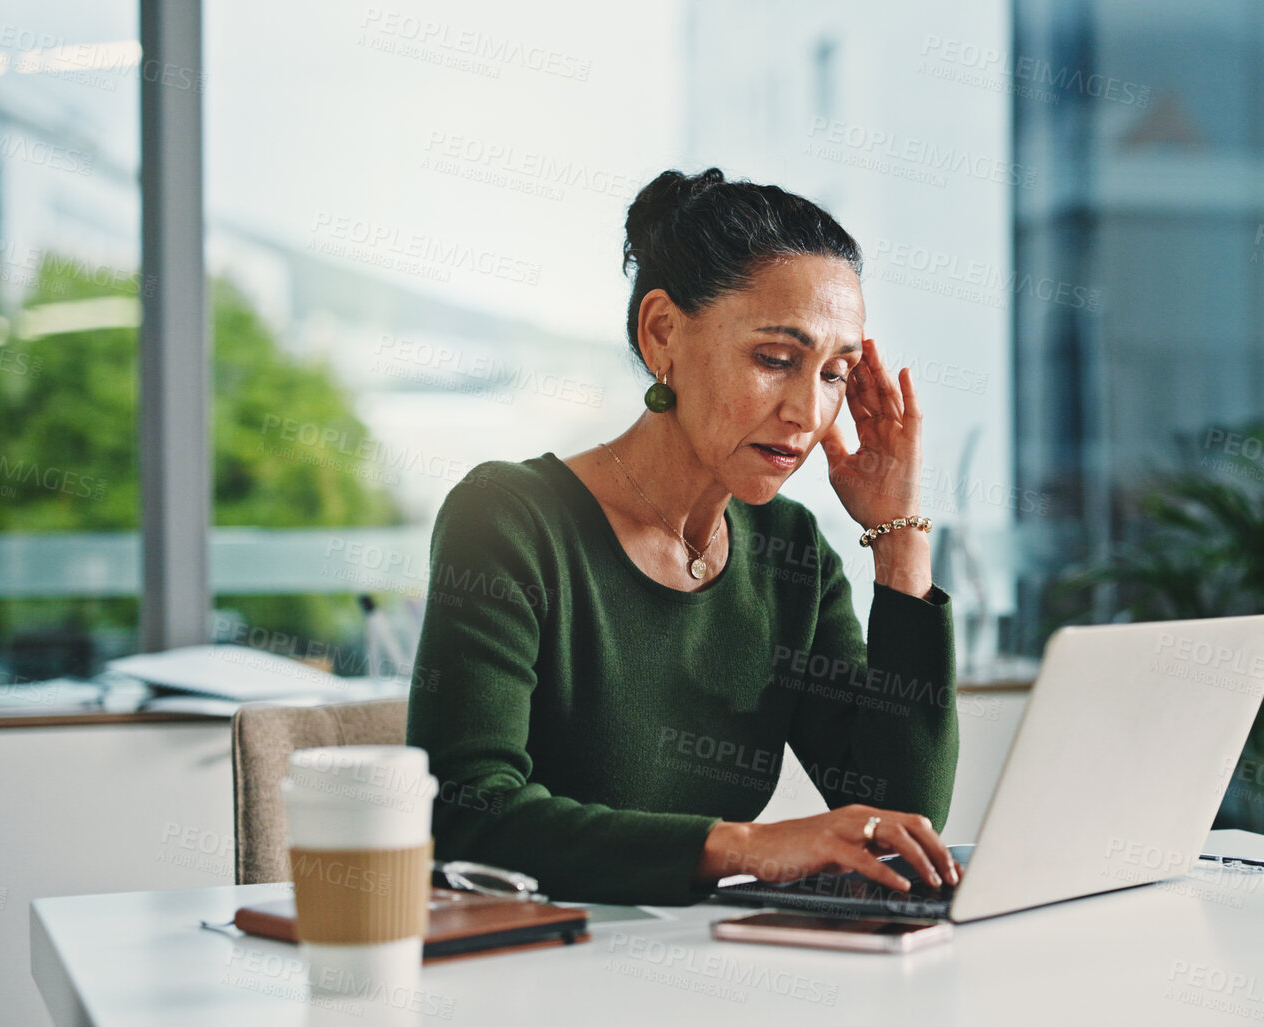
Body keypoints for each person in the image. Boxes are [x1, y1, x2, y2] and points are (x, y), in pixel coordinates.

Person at [404, 167, 963, 906]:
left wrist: (898, 538)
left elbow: (899, 809)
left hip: (697, 963)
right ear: (663, 333)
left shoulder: (787, 549)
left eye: (835, 373)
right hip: (531, 972)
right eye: (775, 359)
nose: (806, 410)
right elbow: (466, 812)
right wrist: (748, 846)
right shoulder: (508, 517)